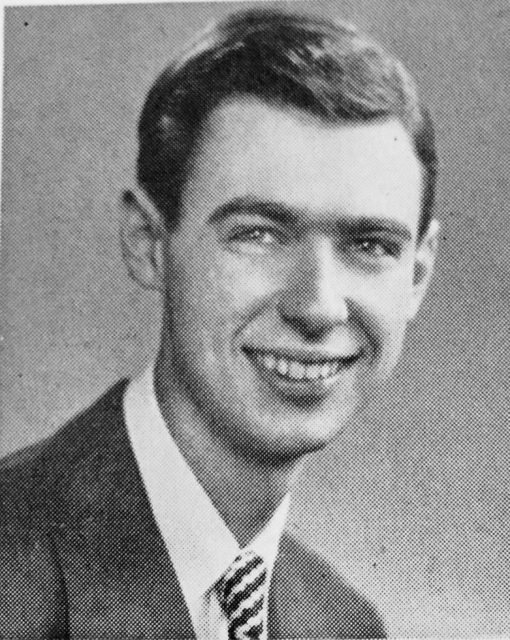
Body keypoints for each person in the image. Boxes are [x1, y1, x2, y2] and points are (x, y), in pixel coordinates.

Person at [0, 8, 439, 639]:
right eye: (258, 234)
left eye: (370, 245)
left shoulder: (344, 624)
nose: (318, 307)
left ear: (418, 276)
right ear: (148, 243)